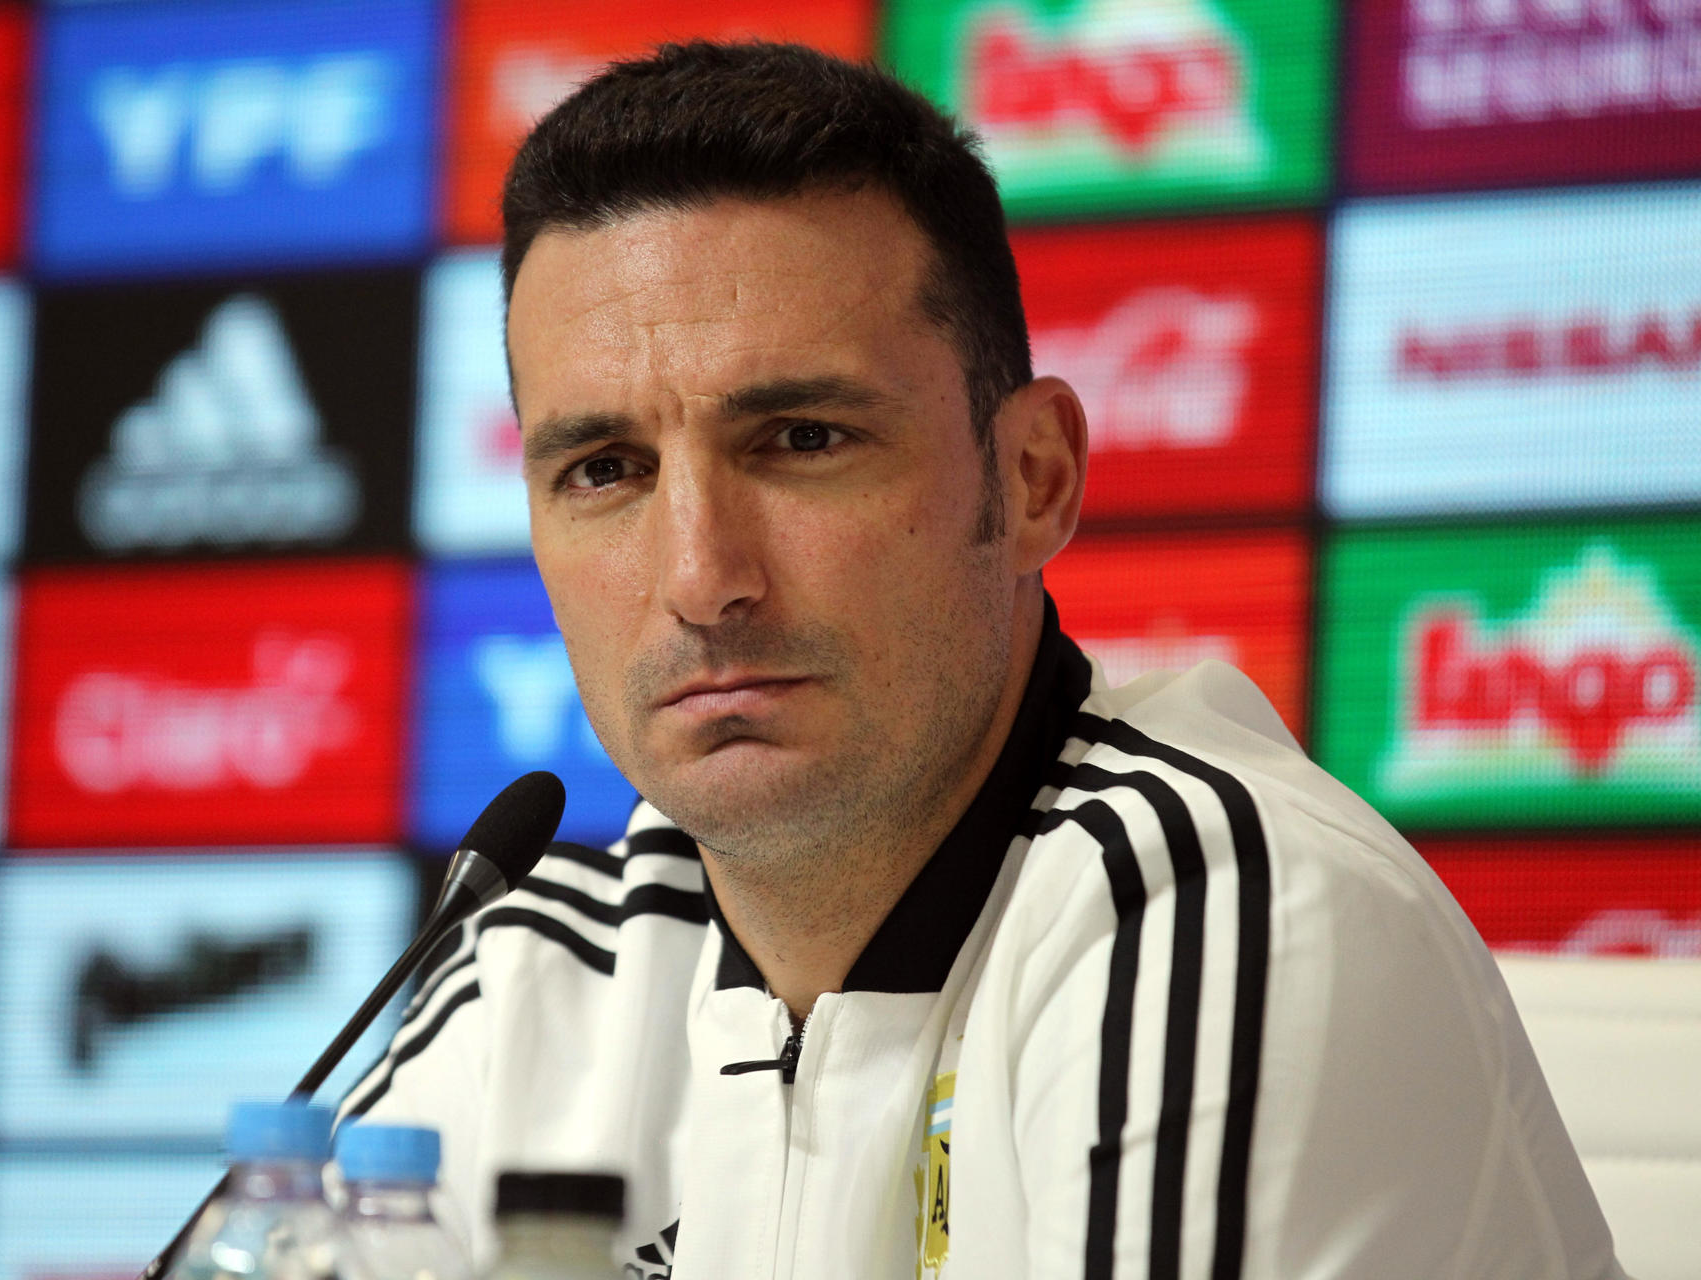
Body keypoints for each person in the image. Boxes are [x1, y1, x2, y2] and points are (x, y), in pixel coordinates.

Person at [344, 41, 1624, 1279]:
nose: (700, 576)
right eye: (606, 470)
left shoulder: (1210, 913)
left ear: (1032, 479)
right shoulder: (540, 974)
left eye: (801, 438)